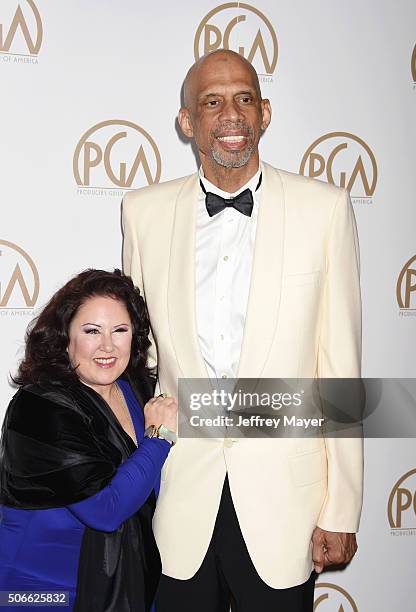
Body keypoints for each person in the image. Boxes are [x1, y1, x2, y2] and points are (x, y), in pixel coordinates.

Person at [122, 50, 363, 611]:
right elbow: (140, 359)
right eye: (212, 102)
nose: (231, 114)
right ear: (187, 122)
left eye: (244, 98)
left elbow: (340, 368)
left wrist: (341, 506)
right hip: (180, 495)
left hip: (287, 504)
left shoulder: (323, 209)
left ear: (266, 112)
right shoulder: (143, 213)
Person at [0, 269, 177, 611]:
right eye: (92, 331)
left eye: (120, 330)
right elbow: (105, 511)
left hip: (130, 583)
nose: (107, 346)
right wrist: (159, 437)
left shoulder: (137, 391)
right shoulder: (39, 407)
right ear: (65, 336)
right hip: (43, 590)